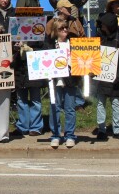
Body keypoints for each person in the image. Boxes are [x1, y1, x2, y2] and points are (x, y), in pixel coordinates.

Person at [44, 20, 80, 148]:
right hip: (55, 80)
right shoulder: (50, 44)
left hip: (71, 78)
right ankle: (55, 135)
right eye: (61, 28)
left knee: (70, 108)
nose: (65, 30)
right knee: (55, 107)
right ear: (56, 30)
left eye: (66, 28)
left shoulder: (74, 42)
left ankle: (70, 135)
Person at [95, 12, 119, 140]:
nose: (102, 27)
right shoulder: (99, 37)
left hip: (115, 77)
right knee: (100, 103)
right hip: (101, 76)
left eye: (104, 25)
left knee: (116, 103)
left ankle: (117, 129)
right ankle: (101, 129)